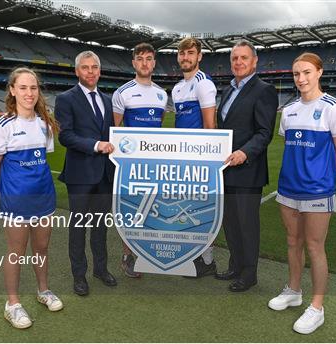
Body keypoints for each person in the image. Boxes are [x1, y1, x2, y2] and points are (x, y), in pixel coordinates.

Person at [268, 52, 336, 334]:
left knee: (315, 247)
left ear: (319, 72)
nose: (301, 78)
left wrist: (323, 181)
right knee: (293, 241)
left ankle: (317, 307)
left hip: (317, 192)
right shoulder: (289, 110)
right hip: (288, 189)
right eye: (296, 74)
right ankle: (293, 290)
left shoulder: (333, 107)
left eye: (306, 72)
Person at [0, 67, 63, 329]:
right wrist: (3, 197)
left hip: (44, 198)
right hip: (15, 202)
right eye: (23, 87)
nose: (29, 93)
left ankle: (43, 291)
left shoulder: (44, 124)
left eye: (33, 88)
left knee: (41, 249)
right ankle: (13, 304)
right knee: (16, 252)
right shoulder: (2, 126)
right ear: (12, 90)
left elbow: (41, 162)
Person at [216, 41, 278, 291]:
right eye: (234, 59)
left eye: (243, 58)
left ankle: (249, 273)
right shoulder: (228, 90)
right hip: (226, 169)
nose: (238, 62)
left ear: (254, 61)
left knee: (246, 224)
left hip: (248, 171)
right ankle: (235, 265)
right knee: (230, 222)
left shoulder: (264, 90)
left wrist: (244, 152)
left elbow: (264, 133)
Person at [55, 51, 117, 297]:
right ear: (77, 71)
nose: (90, 72)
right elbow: (65, 135)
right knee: (79, 227)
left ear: (99, 71)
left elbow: (112, 134)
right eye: (85, 68)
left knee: (101, 226)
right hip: (80, 174)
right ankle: (79, 275)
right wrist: (96, 145)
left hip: (105, 173)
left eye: (94, 67)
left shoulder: (108, 99)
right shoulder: (65, 99)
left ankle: (101, 269)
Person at [112, 42, 168, 278]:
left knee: (149, 211)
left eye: (149, 58)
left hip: (153, 164)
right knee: (129, 211)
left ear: (154, 62)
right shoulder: (122, 93)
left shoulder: (161, 94)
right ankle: (127, 255)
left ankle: (145, 252)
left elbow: (159, 128)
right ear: (134, 63)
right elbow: (114, 131)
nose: (145, 63)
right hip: (129, 166)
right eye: (140, 59)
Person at [171, 37, 218, 277]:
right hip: (182, 158)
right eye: (182, 53)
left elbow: (210, 126)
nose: (185, 57)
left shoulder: (204, 84)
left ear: (199, 56)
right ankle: (191, 254)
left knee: (201, 209)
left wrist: (206, 161)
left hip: (199, 159)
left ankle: (207, 260)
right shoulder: (178, 88)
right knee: (186, 208)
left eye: (190, 53)